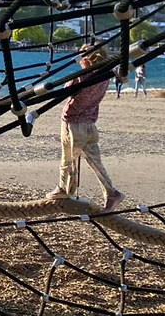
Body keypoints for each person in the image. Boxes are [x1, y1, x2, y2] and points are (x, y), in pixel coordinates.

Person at [46, 44, 124, 212]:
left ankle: (64, 189)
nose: (79, 62)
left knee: (68, 159)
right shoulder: (105, 77)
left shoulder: (81, 77)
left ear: (86, 59)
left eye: (81, 58)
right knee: (95, 162)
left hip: (73, 123)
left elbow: (66, 91)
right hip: (90, 125)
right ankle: (111, 193)